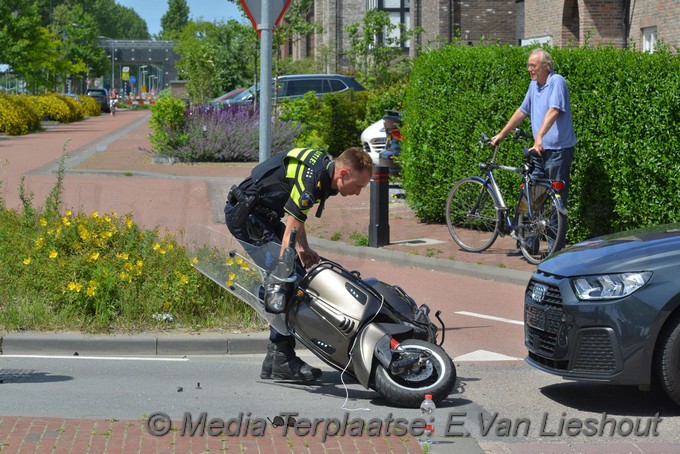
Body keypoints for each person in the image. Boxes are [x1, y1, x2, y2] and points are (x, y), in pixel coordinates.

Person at [225, 147, 374, 381]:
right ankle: (281, 359)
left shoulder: (323, 170)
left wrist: (302, 248)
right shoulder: (313, 179)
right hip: (247, 217)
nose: (357, 193)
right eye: (358, 185)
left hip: (262, 215)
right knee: (287, 282)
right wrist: (282, 273)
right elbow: (290, 231)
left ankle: (276, 358)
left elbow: (297, 216)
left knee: (293, 277)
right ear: (343, 173)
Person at [490, 48, 576, 255]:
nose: (530, 69)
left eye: (533, 66)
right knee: (531, 196)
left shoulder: (557, 81)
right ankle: (528, 245)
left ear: (546, 66)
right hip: (539, 151)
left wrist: (539, 137)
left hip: (557, 151)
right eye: (529, 65)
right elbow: (522, 111)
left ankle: (555, 250)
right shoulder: (533, 86)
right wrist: (502, 133)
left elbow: (554, 110)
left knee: (556, 199)